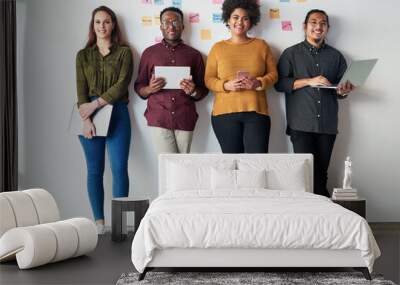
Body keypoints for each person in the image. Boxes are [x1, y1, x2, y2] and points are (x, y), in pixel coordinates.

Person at [275, 9, 354, 197]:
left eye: (323, 23)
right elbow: (279, 84)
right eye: (314, 22)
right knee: (303, 177)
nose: (318, 26)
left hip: (327, 125)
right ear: (305, 26)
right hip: (301, 124)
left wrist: (343, 91)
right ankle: (305, 219)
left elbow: (340, 90)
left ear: (327, 28)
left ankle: (324, 221)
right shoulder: (290, 54)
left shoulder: (336, 57)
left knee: (321, 175)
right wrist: (309, 81)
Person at [75, 6, 133, 234]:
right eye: (98, 22)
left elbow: (122, 84)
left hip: (117, 112)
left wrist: (96, 104)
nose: (102, 26)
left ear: (113, 25)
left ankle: (119, 225)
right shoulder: (83, 55)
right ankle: (99, 223)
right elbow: (81, 90)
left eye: (106, 22)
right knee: (94, 170)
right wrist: (86, 117)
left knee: (119, 169)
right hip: (89, 116)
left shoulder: (124, 53)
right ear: (93, 26)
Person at [205, 0, 278, 153]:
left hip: (256, 113)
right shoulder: (217, 48)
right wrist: (225, 85)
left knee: (257, 164)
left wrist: (258, 83)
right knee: (233, 164)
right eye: (235, 17)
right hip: (224, 114)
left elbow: (273, 75)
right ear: (228, 19)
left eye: (245, 18)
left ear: (251, 21)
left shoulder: (261, 46)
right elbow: (208, 79)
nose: (240, 22)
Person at [134, 7, 208, 154]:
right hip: (159, 118)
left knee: (183, 167)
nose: (171, 26)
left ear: (182, 26)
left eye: (175, 22)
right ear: (161, 27)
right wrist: (150, 89)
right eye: (166, 22)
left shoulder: (194, 55)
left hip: (185, 117)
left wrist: (193, 91)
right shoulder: (149, 53)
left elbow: (203, 91)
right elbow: (139, 86)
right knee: (167, 166)